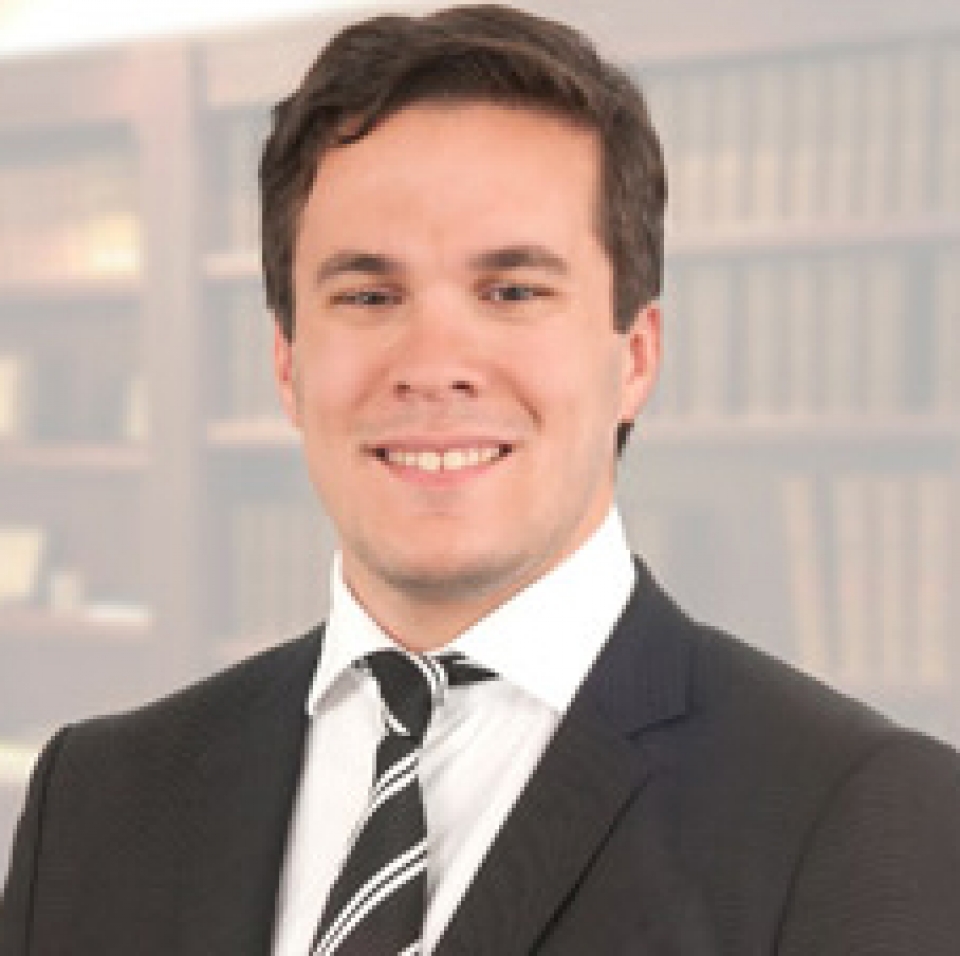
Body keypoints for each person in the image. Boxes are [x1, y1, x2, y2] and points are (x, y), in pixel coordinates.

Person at [2, 5, 960, 954]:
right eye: (368, 295)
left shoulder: (856, 816)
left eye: (512, 291)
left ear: (635, 357)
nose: (433, 365)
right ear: (288, 365)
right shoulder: (96, 800)